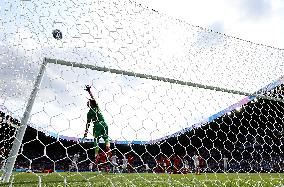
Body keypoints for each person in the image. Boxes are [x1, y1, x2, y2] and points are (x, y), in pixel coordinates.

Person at [84, 85, 110, 158]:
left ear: (91, 103)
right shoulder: (97, 107)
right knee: (106, 138)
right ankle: (107, 146)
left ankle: (96, 154)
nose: (87, 103)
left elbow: (88, 123)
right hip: (104, 124)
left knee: (96, 140)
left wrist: (85, 132)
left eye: (88, 102)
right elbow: (93, 98)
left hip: (97, 125)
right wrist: (89, 91)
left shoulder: (89, 113)